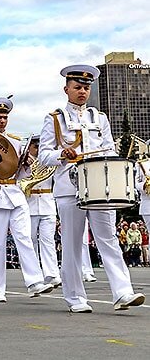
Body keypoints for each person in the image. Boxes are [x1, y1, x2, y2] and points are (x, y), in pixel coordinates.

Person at [38, 64, 145, 313]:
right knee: (72, 243)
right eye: (77, 87)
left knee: (108, 239)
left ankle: (123, 292)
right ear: (66, 89)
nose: (82, 92)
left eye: (86, 88)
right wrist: (61, 154)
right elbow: (43, 155)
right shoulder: (55, 119)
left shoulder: (99, 118)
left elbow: (109, 150)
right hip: (69, 188)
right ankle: (75, 297)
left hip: (99, 187)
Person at [0, 97, 53, 303]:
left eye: (5, 117)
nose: (2, 121)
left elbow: (20, 175)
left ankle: (34, 281)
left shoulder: (16, 141)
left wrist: (26, 164)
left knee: (24, 237)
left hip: (15, 192)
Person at [23, 136, 61, 288]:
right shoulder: (24, 163)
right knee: (30, 241)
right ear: (29, 148)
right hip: (30, 204)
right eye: (35, 146)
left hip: (47, 203)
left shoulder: (48, 161)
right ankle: (35, 275)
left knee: (48, 241)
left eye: (40, 146)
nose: (38, 150)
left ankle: (52, 274)